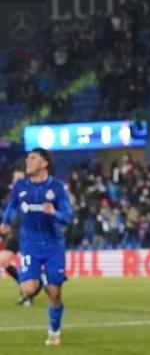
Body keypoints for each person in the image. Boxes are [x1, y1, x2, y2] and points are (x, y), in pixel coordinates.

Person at [0, 148, 72, 346]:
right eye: (27, 158)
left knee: (54, 293)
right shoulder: (20, 186)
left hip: (53, 245)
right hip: (29, 244)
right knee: (28, 289)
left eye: (32, 158)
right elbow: (12, 206)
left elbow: (68, 217)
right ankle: (41, 276)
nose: (28, 161)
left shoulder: (57, 188)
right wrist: (6, 222)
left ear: (44, 163)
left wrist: (54, 212)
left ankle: (54, 331)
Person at [0, 166, 44, 306]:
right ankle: (30, 286)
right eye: (15, 178)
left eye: (19, 178)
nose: (16, 181)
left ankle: (28, 294)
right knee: (3, 261)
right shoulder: (14, 194)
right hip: (15, 231)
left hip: (29, 232)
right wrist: (5, 223)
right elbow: (10, 209)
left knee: (28, 266)